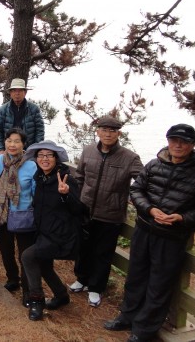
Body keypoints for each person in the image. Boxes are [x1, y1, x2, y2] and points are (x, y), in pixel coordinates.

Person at [104, 124, 195, 342]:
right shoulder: (154, 164)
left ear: (192, 145)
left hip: (172, 237)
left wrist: (181, 218)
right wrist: (150, 210)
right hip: (144, 229)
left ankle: (144, 330)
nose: (177, 145)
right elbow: (136, 189)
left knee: (159, 285)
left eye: (183, 142)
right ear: (168, 141)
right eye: (173, 140)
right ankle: (127, 316)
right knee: (135, 276)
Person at [70, 115, 143, 308]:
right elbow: (80, 176)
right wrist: (79, 200)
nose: (108, 134)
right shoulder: (88, 151)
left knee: (103, 253)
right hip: (86, 210)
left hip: (111, 214)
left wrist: (136, 199)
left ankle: (96, 288)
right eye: (104, 130)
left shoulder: (129, 157)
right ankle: (82, 279)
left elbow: (144, 182)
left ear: (119, 133)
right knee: (83, 248)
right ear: (98, 131)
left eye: (112, 130)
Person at [20, 140, 84, 321]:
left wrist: (65, 195)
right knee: (44, 264)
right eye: (41, 155)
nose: (45, 159)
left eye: (49, 155)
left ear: (56, 158)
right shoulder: (40, 178)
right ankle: (61, 296)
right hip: (45, 232)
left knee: (28, 256)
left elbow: (78, 209)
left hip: (61, 234)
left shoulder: (66, 179)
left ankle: (36, 300)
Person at [0, 128, 37, 307]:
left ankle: (27, 290)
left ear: (23, 144)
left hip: (23, 215)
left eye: (17, 141)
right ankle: (12, 279)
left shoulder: (31, 165)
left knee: (25, 255)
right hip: (2, 214)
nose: (12, 144)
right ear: (4, 142)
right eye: (9, 140)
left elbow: (35, 192)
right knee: (6, 250)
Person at [0, 78, 45, 153]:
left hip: (29, 150)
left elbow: (40, 130)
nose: (17, 93)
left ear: (25, 92)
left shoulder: (33, 109)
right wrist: (0, 149)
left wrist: (36, 149)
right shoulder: (3, 109)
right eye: (14, 90)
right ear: (10, 93)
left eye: (20, 90)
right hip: (9, 149)